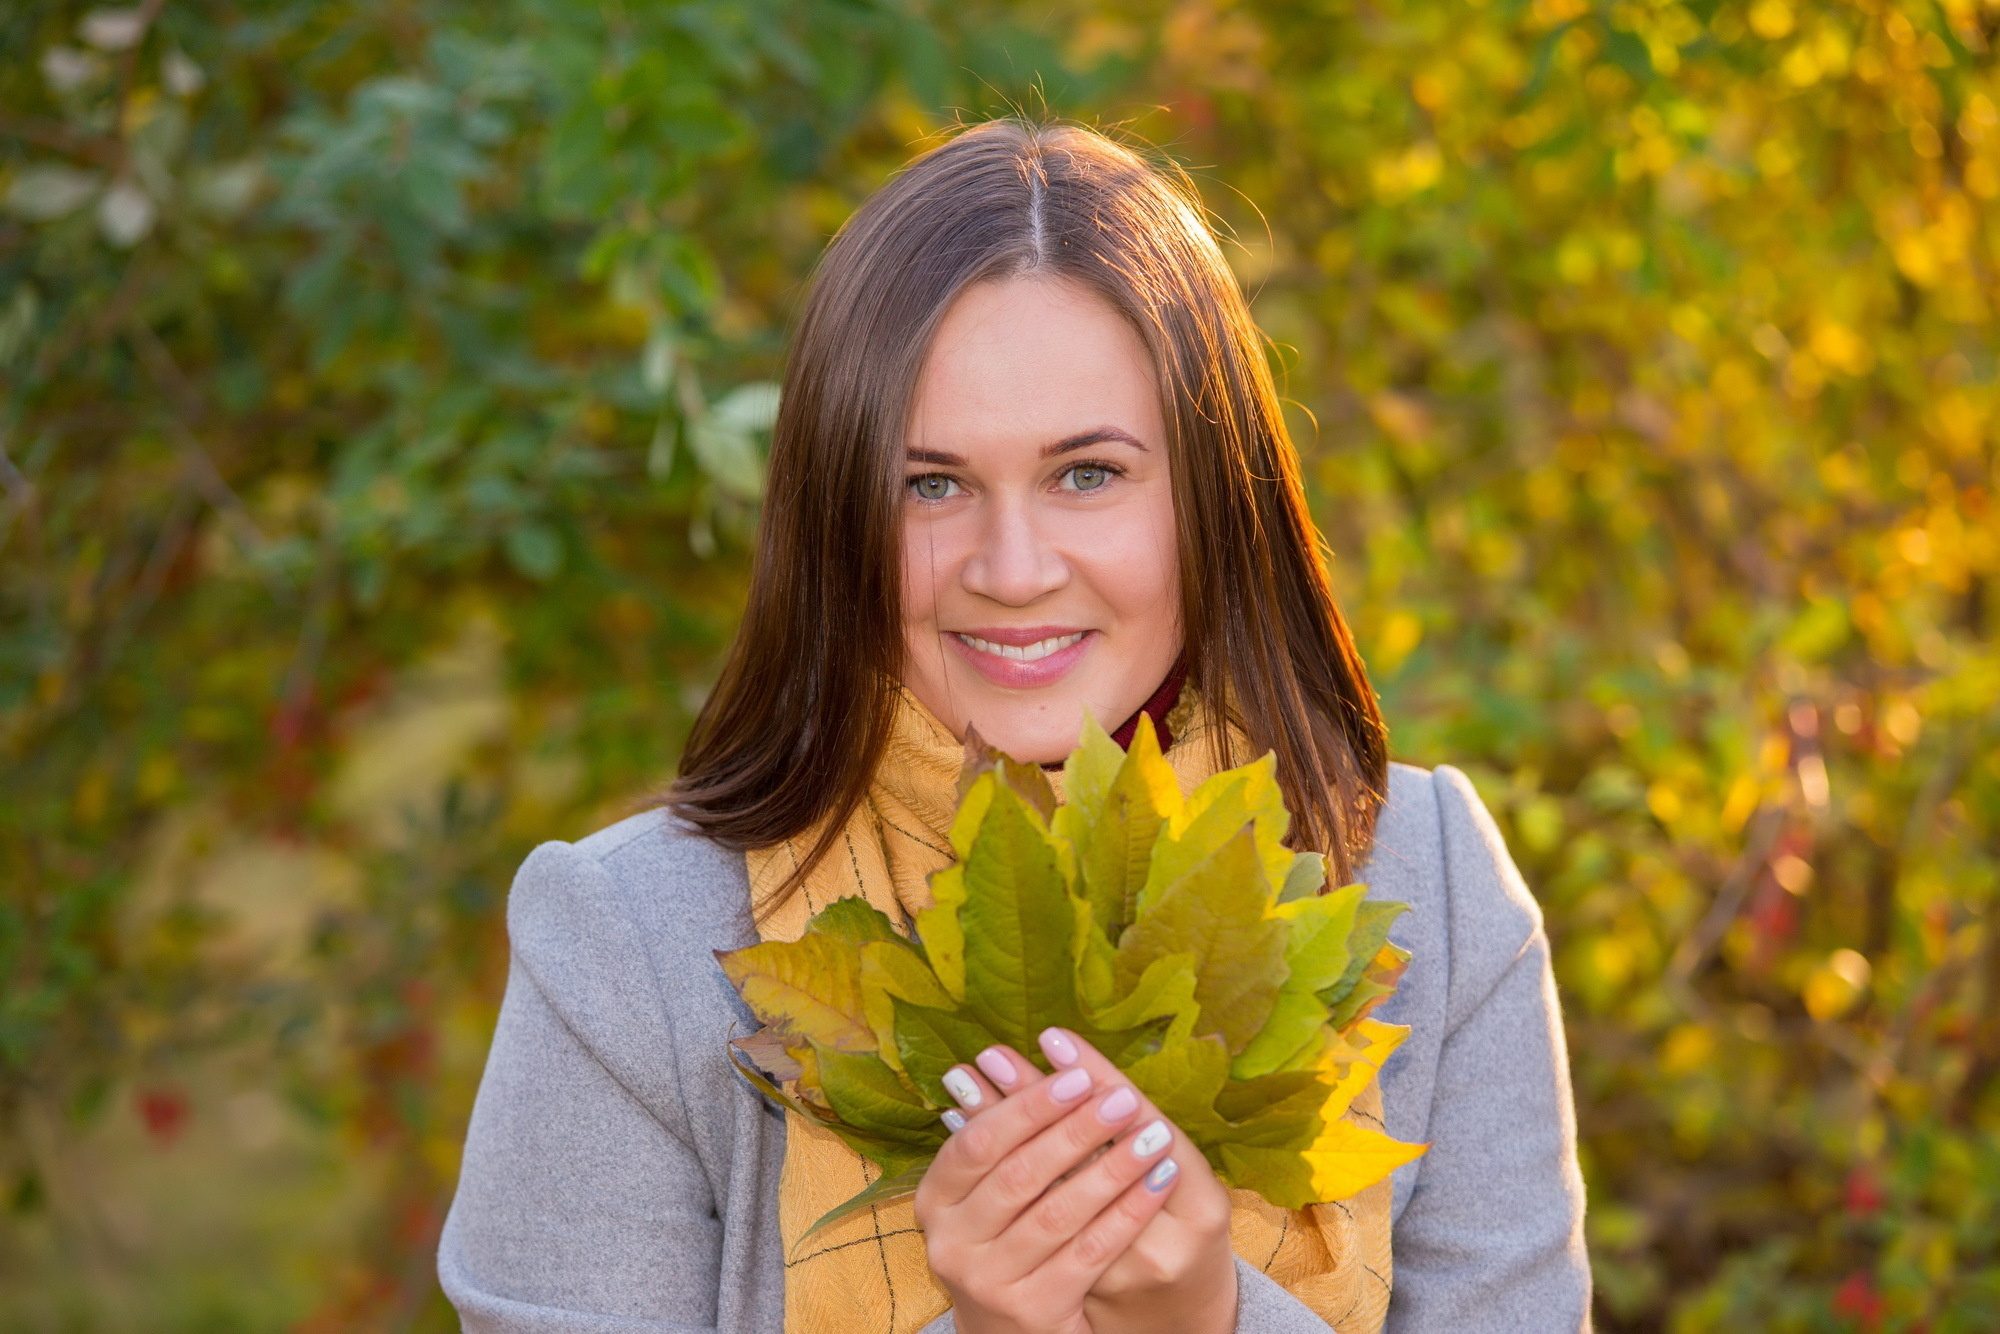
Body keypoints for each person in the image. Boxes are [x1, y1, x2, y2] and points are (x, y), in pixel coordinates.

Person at [438, 119, 1590, 1334]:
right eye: (927, 483)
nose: (1011, 565)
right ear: (837, 514)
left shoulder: (1430, 883)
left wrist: (1206, 1319)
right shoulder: (630, 948)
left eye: (1085, 473)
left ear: (1209, 492)